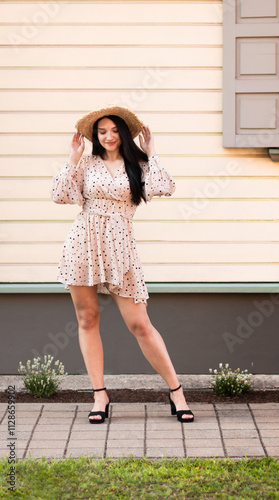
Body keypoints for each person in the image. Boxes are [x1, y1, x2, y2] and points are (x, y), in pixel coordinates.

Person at [51, 105, 194, 424]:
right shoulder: (86, 163)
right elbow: (60, 196)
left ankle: (176, 392)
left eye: (114, 130)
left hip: (120, 248)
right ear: (94, 136)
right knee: (87, 317)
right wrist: (72, 158)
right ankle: (99, 395)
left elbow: (163, 187)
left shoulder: (139, 165)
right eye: (102, 132)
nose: (109, 136)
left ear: (124, 133)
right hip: (83, 243)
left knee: (140, 324)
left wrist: (151, 151)